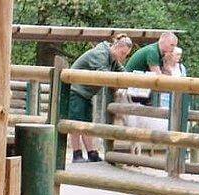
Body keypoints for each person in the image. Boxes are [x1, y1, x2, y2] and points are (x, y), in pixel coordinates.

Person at [68, 35, 133, 163]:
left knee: (87, 123)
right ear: (116, 47)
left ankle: (91, 153)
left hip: (86, 93)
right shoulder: (101, 54)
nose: (124, 57)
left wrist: (133, 80)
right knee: (75, 123)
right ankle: (76, 154)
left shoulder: (113, 59)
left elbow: (123, 73)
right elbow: (106, 77)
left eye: (126, 54)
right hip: (75, 90)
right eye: (123, 53)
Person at [125, 32, 178, 105]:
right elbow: (158, 78)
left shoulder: (162, 54)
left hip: (140, 88)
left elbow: (167, 77)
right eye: (172, 45)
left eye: (175, 46)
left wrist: (167, 63)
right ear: (163, 42)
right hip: (130, 89)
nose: (173, 49)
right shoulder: (152, 51)